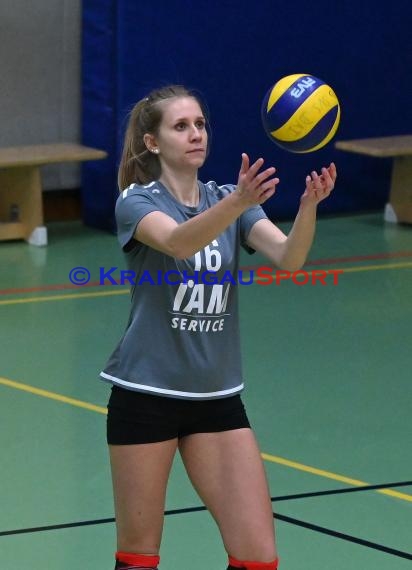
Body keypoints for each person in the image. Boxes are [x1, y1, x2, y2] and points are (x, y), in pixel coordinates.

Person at [100, 84, 336, 570]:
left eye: (201, 124)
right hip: (146, 396)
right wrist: (237, 203)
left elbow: (289, 258)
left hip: (217, 398)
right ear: (152, 142)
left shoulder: (230, 197)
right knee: (138, 556)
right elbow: (180, 243)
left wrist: (309, 205)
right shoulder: (138, 201)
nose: (195, 135)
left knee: (258, 555)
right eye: (180, 126)